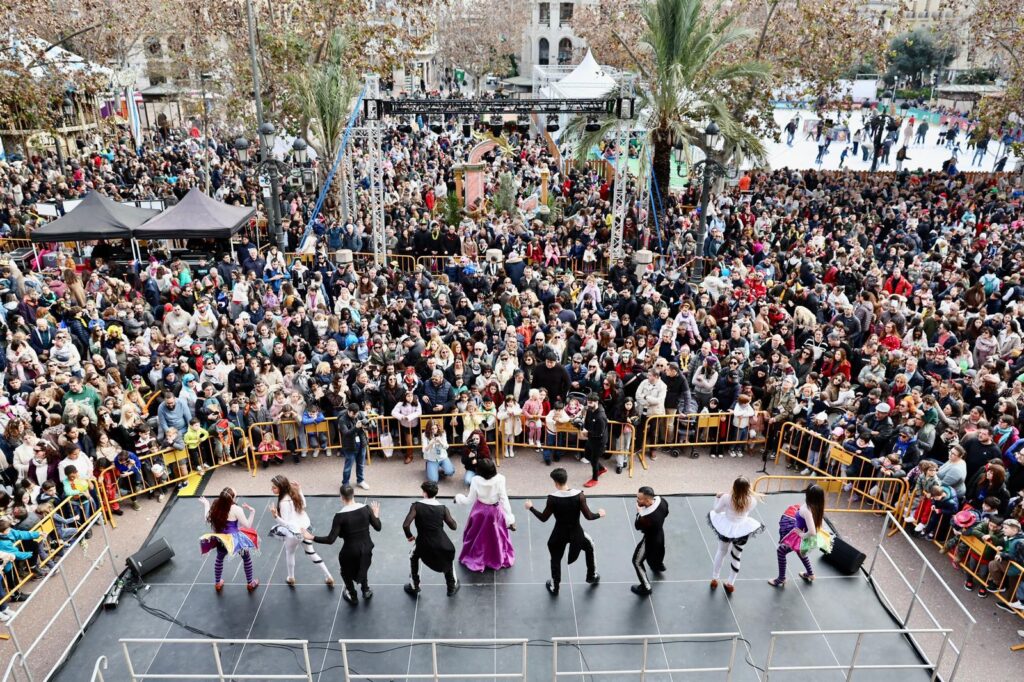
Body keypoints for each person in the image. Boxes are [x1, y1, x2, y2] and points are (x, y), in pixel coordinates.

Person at [525, 467, 606, 595]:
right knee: (590, 546)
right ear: (566, 479)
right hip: (576, 532)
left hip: (559, 534)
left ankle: (554, 587)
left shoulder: (552, 498)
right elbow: (589, 516)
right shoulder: (579, 495)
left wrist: (531, 508)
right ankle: (592, 575)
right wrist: (600, 514)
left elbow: (543, 518)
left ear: (556, 483)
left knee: (555, 559)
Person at [304, 485, 381, 605]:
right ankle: (365, 590)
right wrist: (375, 515)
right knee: (363, 566)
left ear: (341, 497)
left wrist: (311, 537)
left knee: (345, 572)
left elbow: (330, 540)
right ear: (353, 494)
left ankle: (352, 595)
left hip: (349, 552)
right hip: (366, 548)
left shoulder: (339, 516)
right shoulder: (366, 508)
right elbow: (378, 527)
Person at [267, 475, 334, 587]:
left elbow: (286, 523)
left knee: (290, 553)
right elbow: (304, 504)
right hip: (305, 529)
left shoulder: (283, 502)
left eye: (274, 487)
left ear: (281, 488)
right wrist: (300, 490)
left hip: (294, 533)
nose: (271, 489)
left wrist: (275, 516)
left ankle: (291, 577)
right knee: (311, 553)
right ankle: (328, 576)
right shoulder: (294, 493)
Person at [454, 458, 515, 571]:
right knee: (495, 536)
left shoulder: (475, 480)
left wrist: (458, 498)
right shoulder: (501, 479)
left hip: (479, 512)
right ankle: (496, 557)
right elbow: (504, 499)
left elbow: (469, 500)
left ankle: (477, 556)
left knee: (476, 536)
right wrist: (510, 518)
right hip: (494, 513)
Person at [402, 480, 460, 597]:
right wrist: (453, 519)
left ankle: (414, 586)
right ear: (435, 494)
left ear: (424, 493)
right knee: (448, 560)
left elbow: (406, 525)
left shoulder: (416, 506)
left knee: (413, 557)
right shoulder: (443, 508)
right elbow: (453, 527)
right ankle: (451, 588)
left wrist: (409, 536)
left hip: (423, 543)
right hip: (442, 543)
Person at [707, 476, 764, 594]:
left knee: (721, 552)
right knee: (736, 556)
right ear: (748, 488)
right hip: (742, 530)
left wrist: (717, 497)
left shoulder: (726, 498)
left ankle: (714, 578)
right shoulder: (752, 501)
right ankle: (730, 583)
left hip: (726, 528)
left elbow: (716, 510)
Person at [198, 488, 260, 593]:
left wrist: (206, 504)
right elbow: (248, 525)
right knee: (246, 559)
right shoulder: (236, 509)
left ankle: (218, 583)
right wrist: (252, 512)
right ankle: (250, 583)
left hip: (222, 539)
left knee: (219, 559)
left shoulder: (216, 505)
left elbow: (206, 518)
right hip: (235, 541)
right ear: (233, 497)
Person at [768, 484, 826, 588]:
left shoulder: (807, 510)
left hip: (799, 536)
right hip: (804, 535)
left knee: (781, 551)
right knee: (801, 552)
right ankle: (810, 574)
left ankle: (781, 578)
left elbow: (812, 531)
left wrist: (802, 535)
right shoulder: (816, 507)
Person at [631, 486, 669, 596]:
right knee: (660, 549)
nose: (637, 500)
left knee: (637, 562)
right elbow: (666, 513)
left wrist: (639, 513)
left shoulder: (645, 516)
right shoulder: (662, 501)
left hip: (650, 539)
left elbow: (638, 526)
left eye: (639, 499)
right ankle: (658, 565)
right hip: (659, 533)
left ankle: (646, 587)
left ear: (647, 500)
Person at [581, 392, 609, 488]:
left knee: (594, 460)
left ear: (596, 402)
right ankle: (601, 469)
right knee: (587, 455)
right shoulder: (589, 410)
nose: (588, 404)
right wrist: (583, 428)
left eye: (591, 403)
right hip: (591, 439)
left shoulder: (601, 417)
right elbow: (587, 422)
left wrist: (587, 433)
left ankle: (594, 479)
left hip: (599, 442)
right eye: (588, 402)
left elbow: (599, 432)